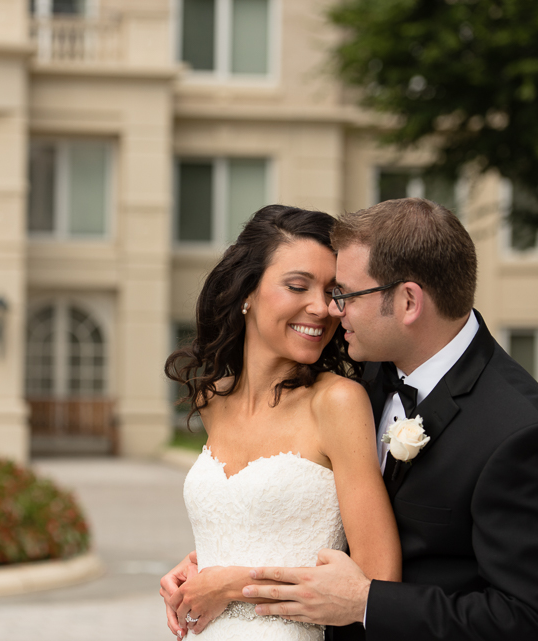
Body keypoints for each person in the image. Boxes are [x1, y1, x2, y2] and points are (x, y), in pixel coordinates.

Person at [227, 198, 538, 640]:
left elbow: (536, 625)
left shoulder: (524, 435)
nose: (332, 310)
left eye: (345, 294)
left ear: (408, 301)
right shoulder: (360, 379)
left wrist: (368, 604)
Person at [161, 204, 402, 640]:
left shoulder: (337, 402)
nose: (322, 308)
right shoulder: (213, 398)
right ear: (246, 292)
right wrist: (199, 569)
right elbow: (257, 523)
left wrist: (230, 584)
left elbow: (376, 578)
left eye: (332, 292)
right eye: (297, 286)